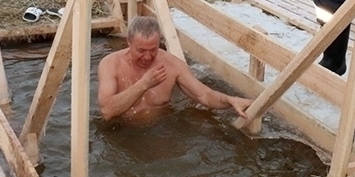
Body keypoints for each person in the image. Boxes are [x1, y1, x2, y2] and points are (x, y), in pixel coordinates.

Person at [97, 16, 251, 121]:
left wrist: (229, 100)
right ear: (129, 42)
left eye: (153, 49)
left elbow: (204, 95)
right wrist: (144, 84)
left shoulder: (172, 64)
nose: (148, 57)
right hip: (122, 132)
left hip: (160, 131)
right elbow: (107, 111)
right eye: (141, 50)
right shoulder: (110, 64)